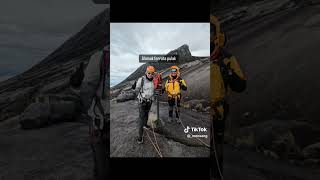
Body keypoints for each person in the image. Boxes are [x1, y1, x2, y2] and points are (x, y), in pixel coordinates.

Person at [210, 15, 247, 180]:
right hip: (202, 110)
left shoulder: (226, 58)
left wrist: (228, 73)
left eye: (209, 31)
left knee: (217, 151)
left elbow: (241, 86)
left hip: (218, 111)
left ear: (216, 33)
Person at [80, 45, 109, 180]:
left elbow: (86, 89)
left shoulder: (100, 56)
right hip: (106, 119)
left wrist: (90, 113)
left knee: (101, 163)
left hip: (100, 120)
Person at [135, 65, 157, 144]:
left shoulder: (154, 80)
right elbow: (137, 90)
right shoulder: (142, 80)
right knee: (141, 118)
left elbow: (154, 90)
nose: (150, 74)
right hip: (142, 102)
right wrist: (140, 98)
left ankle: (145, 125)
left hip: (149, 101)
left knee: (147, 114)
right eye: (149, 73)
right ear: (146, 72)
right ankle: (140, 137)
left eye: (152, 73)